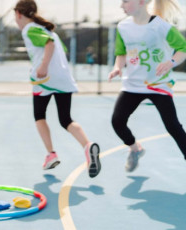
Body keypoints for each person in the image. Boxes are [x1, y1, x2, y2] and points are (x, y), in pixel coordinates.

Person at [14, 0, 101, 178]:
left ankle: (51, 154)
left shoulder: (29, 29)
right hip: (63, 79)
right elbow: (60, 48)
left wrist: (43, 66)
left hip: (45, 78)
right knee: (65, 119)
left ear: (18, 14)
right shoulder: (45, 28)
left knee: (39, 116)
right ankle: (87, 145)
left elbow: (50, 45)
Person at [109, 0, 186, 172]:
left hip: (157, 84)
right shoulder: (123, 27)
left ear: (141, 2)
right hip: (132, 85)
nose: (122, 5)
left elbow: (183, 48)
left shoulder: (161, 27)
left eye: (126, 1)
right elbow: (121, 53)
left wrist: (171, 62)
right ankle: (135, 148)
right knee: (117, 121)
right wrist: (117, 68)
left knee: (173, 126)